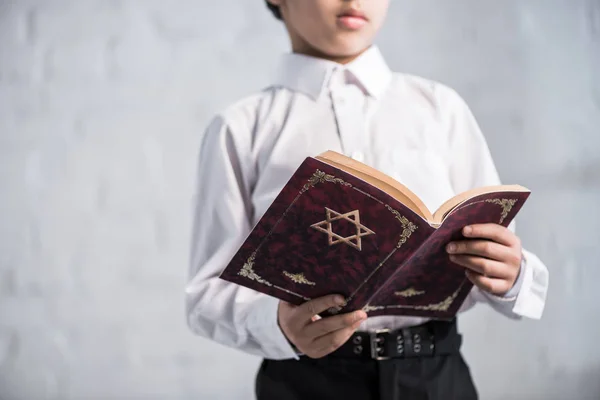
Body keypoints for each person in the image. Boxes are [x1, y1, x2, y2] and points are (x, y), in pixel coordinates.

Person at [185, 1, 549, 399]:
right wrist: (277, 324)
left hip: (436, 377)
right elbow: (207, 295)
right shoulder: (241, 128)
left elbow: (497, 257)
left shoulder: (440, 109)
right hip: (305, 382)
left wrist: (512, 275)